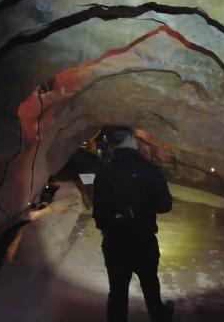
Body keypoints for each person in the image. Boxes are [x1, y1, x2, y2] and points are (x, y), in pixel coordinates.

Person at [92, 126, 174, 322]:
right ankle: (160, 317)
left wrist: (115, 220)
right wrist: (140, 209)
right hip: (143, 239)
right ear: (130, 139)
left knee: (118, 293)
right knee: (151, 287)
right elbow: (165, 205)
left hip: (114, 242)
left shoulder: (104, 171)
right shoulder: (151, 169)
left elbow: (99, 214)